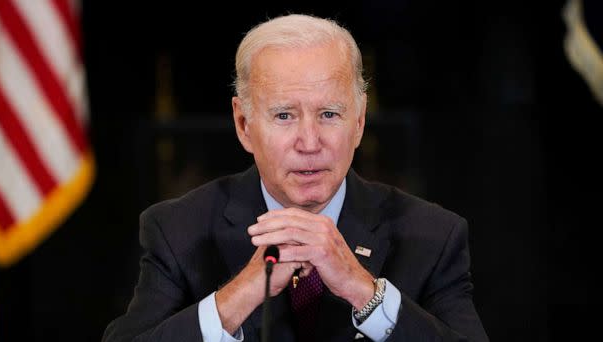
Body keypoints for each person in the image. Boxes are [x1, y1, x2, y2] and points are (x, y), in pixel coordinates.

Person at [103, 14, 489, 342]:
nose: (309, 143)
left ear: (359, 121)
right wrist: (237, 298)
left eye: (329, 115)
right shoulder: (178, 231)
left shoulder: (433, 235)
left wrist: (364, 291)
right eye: (284, 116)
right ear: (243, 124)